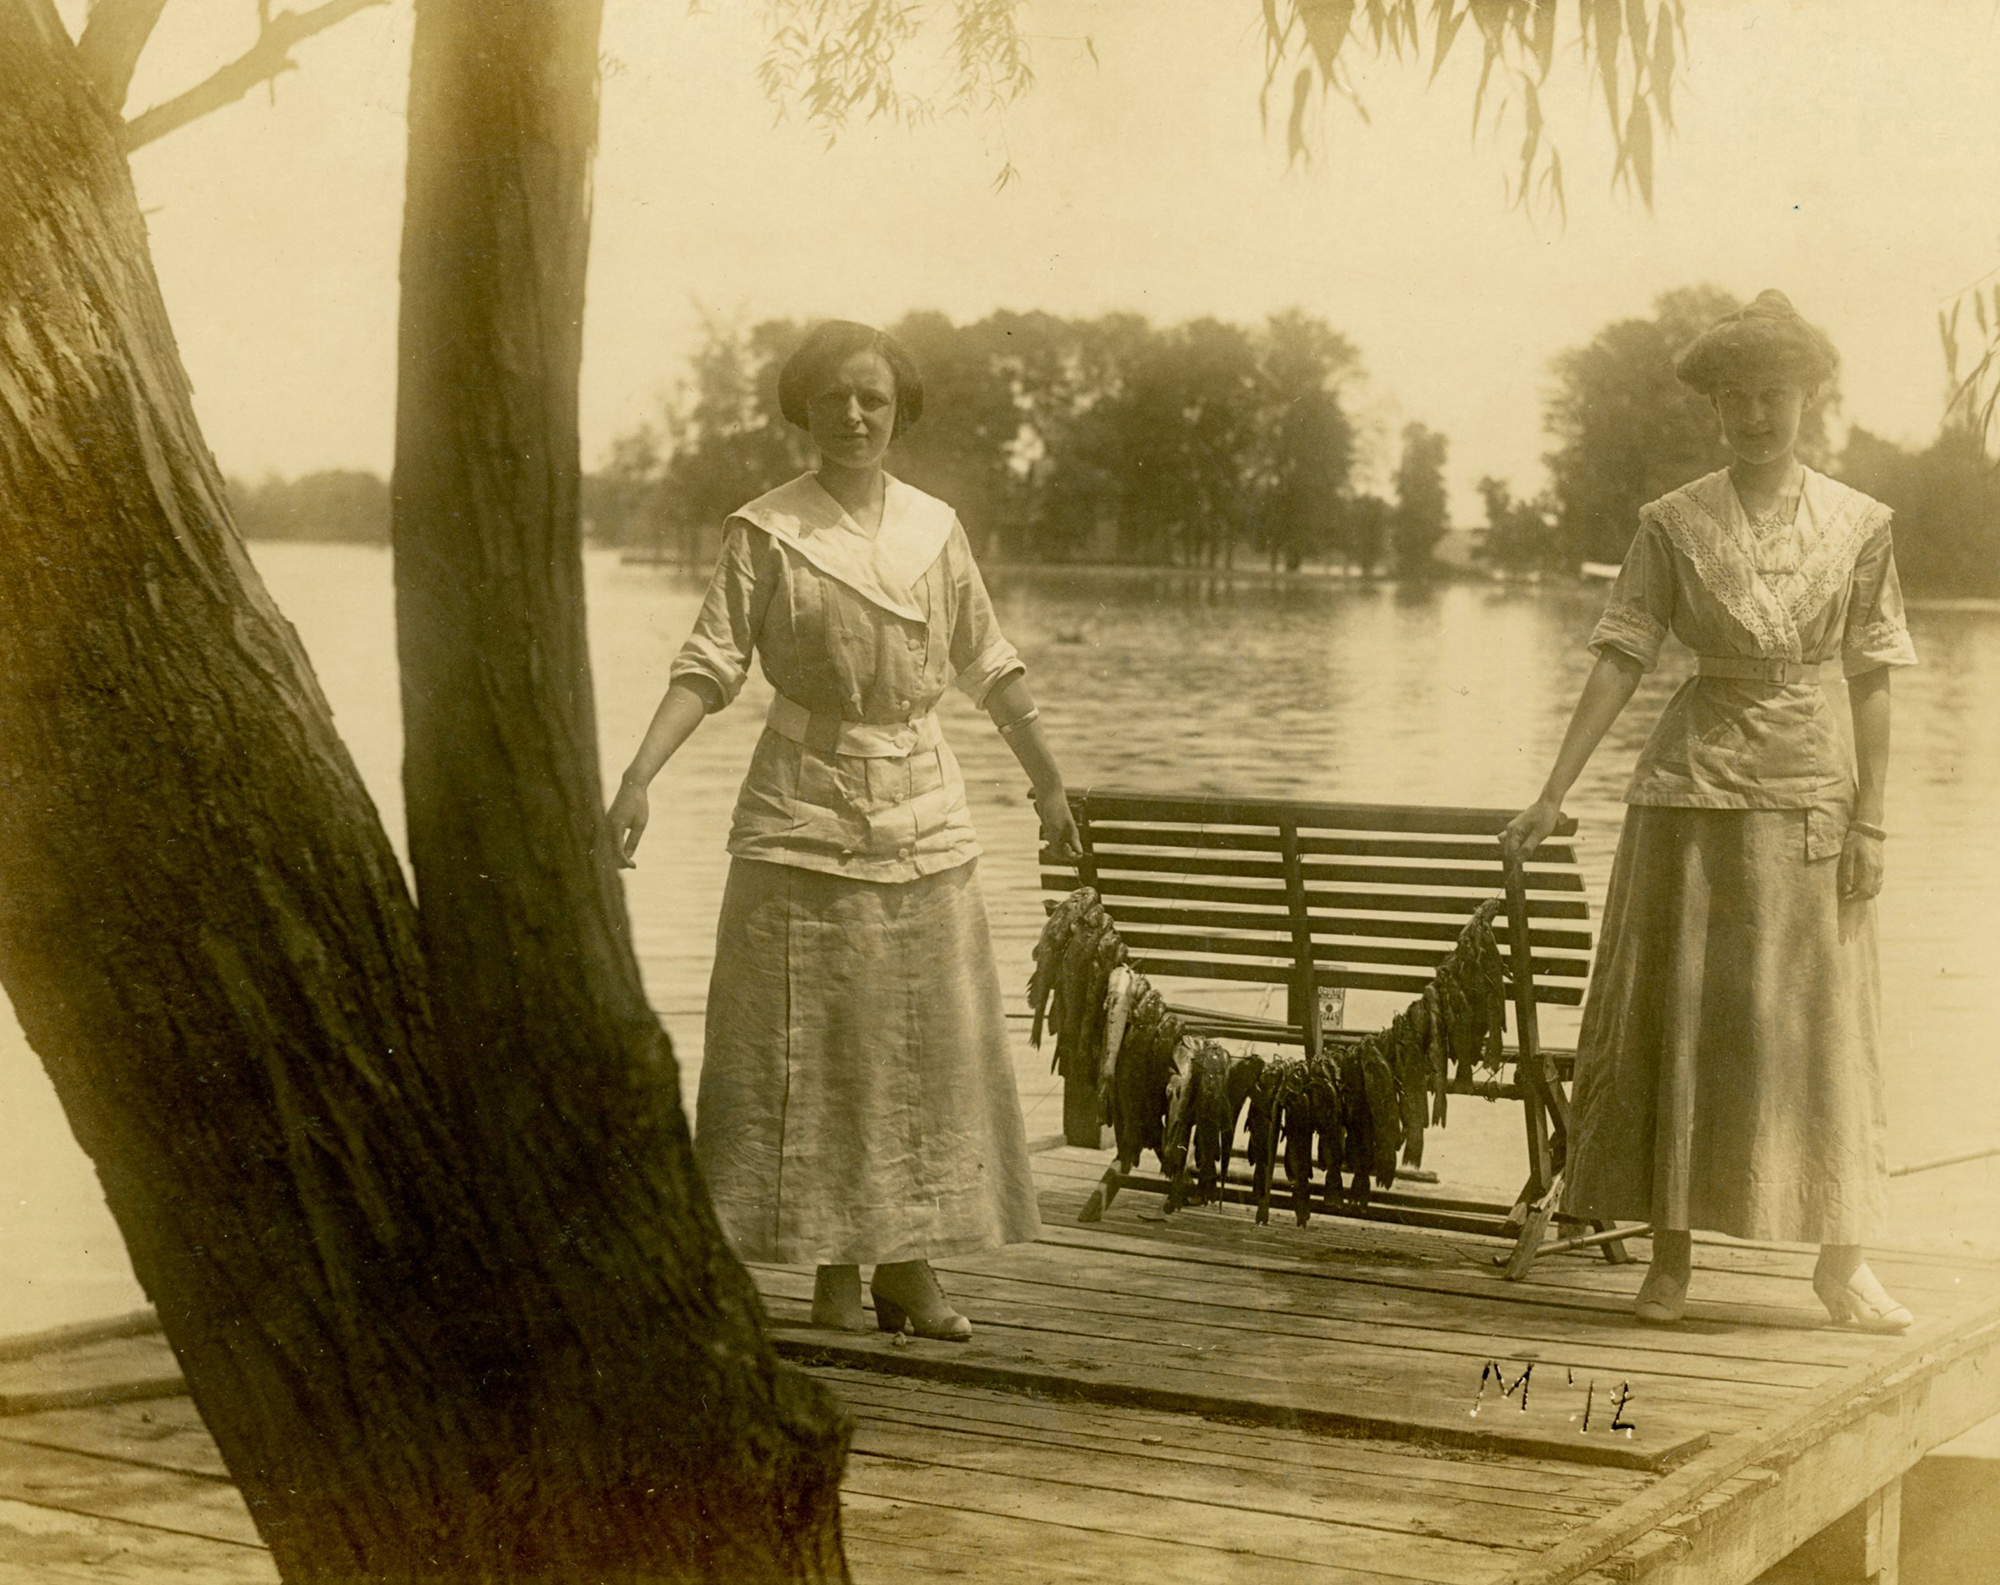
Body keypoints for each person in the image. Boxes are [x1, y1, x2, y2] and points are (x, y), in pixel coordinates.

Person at [604, 320, 1081, 1342]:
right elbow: (708, 665)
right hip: (801, 807)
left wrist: (1046, 783)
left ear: (899, 409)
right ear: (803, 412)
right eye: (832, 400)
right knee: (814, 1038)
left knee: (922, 1044)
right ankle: (827, 1270)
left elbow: (989, 663)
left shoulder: (933, 530)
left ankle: (908, 1269)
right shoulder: (767, 531)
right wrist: (640, 772)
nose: (853, 417)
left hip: (924, 805)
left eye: (871, 398)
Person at [1501, 291, 1918, 1330]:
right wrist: (1554, 790)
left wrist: (1872, 818)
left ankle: (1841, 1261)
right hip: (1687, 790)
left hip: (1811, 792)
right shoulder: (1672, 522)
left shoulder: (1859, 526)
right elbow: (1619, 655)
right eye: (1733, 399)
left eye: (1770, 395)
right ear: (1714, 410)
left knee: (1823, 1025)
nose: (1752, 417)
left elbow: (1871, 673)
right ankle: (1669, 1262)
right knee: (1679, 1019)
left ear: (1804, 398)